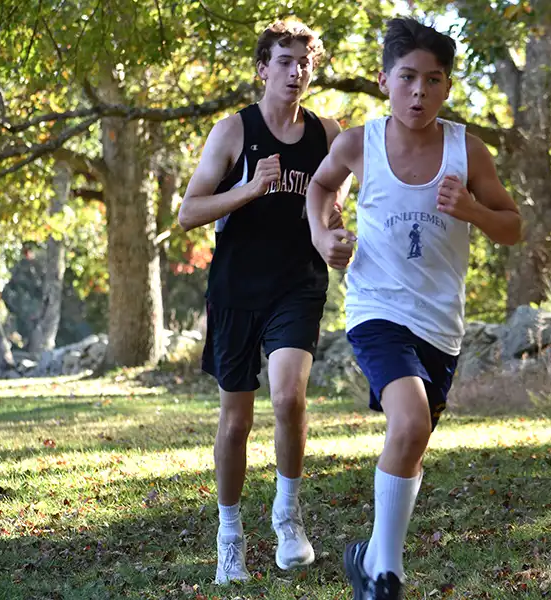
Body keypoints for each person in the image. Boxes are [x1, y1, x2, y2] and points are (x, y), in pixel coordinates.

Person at [306, 17, 522, 599]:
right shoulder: (357, 144)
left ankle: (368, 557)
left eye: (433, 80)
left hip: (440, 322)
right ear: (384, 80)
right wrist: (323, 236)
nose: (418, 92)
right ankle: (387, 576)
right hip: (376, 309)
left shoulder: (466, 150)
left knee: (411, 441)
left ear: (447, 87)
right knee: (410, 422)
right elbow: (320, 189)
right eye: (407, 78)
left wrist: (473, 211)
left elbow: (513, 226)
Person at [178, 19, 348, 584]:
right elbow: (188, 212)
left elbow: (332, 209)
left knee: (289, 398)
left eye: (303, 62)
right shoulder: (233, 132)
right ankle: (230, 536)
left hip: (297, 285)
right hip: (235, 291)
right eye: (284, 60)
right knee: (235, 420)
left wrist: (335, 235)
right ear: (262, 68)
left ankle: (288, 514)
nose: (295, 71)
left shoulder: (329, 133)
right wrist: (250, 188)